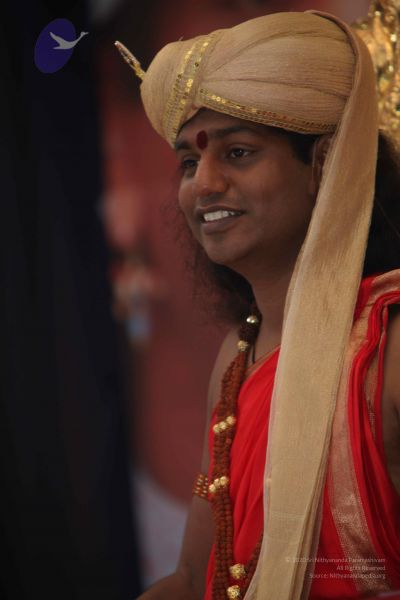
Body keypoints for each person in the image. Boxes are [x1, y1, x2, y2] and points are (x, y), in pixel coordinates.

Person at [116, 9, 400, 600]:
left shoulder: (388, 344)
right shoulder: (237, 357)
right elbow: (193, 577)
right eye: (189, 162)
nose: (203, 184)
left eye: (238, 153)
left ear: (323, 165)